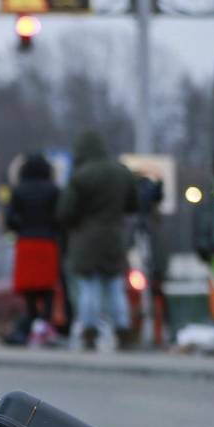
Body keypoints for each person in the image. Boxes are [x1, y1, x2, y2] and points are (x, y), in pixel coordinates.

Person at [57, 130, 138, 352]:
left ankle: (89, 332)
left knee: (88, 287)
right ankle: (123, 330)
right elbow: (133, 204)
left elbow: (65, 212)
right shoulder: (121, 172)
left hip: (86, 239)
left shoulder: (80, 176)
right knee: (115, 286)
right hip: (115, 237)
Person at [5, 153, 61, 347]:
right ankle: (45, 325)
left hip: (26, 243)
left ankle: (32, 322)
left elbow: (10, 220)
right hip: (47, 243)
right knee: (48, 287)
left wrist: (23, 226)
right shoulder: (54, 190)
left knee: (29, 288)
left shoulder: (19, 190)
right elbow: (60, 217)